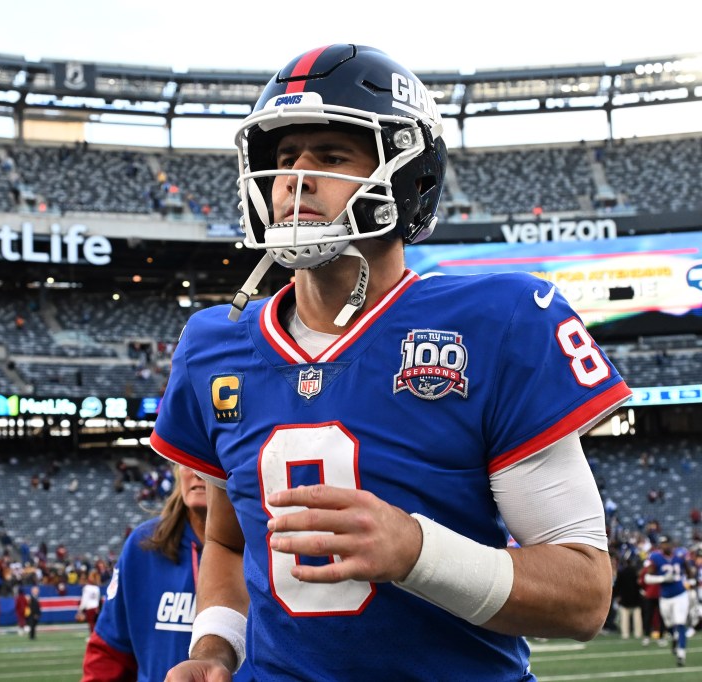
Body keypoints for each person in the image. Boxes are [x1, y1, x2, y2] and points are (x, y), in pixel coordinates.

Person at [150, 44, 632, 680]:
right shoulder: (216, 343)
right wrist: (214, 648)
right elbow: (225, 541)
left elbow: (584, 595)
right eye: (285, 157)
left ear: (408, 175)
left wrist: (415, 550)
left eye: (330, 155)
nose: (296, 176)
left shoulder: (500, 318)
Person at [82, 466, 252, 681]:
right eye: (189, 461)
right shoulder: (143, 545)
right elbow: (109, 654)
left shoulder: (270, 547)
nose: (198, 472)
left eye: (213, 461)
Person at [643, 535, 694, 667]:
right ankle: (675, 638)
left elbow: (689, 572)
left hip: (680, 595)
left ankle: (681, 653)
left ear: (671, 544)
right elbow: (647, 578)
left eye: (667, 543)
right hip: (665, 597)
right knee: (669, 624)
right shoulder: (655, 557)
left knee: (680, 623)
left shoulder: (680, 555)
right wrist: (663, 579)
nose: (665, 546)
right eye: (662, 544)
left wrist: (690, 582)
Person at [613, 554, 645, 641]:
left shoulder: (621, 572)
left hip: (624, 598)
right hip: (636, 598)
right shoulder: (636, 572)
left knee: (624, 618)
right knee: (637, 618)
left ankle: (625, 634)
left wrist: (617, 595)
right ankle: (638, 633)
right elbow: (640, 585)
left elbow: (617, 586)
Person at [76, 571, 101, 641]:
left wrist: (80, 609)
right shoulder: (96, 588)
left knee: (91, 623)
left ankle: (93, 636)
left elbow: (84, 599)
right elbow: (98, 599)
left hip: (90, 607)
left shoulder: (87, 588)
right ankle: (95, 636)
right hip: (95, 607)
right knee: (95, 623)